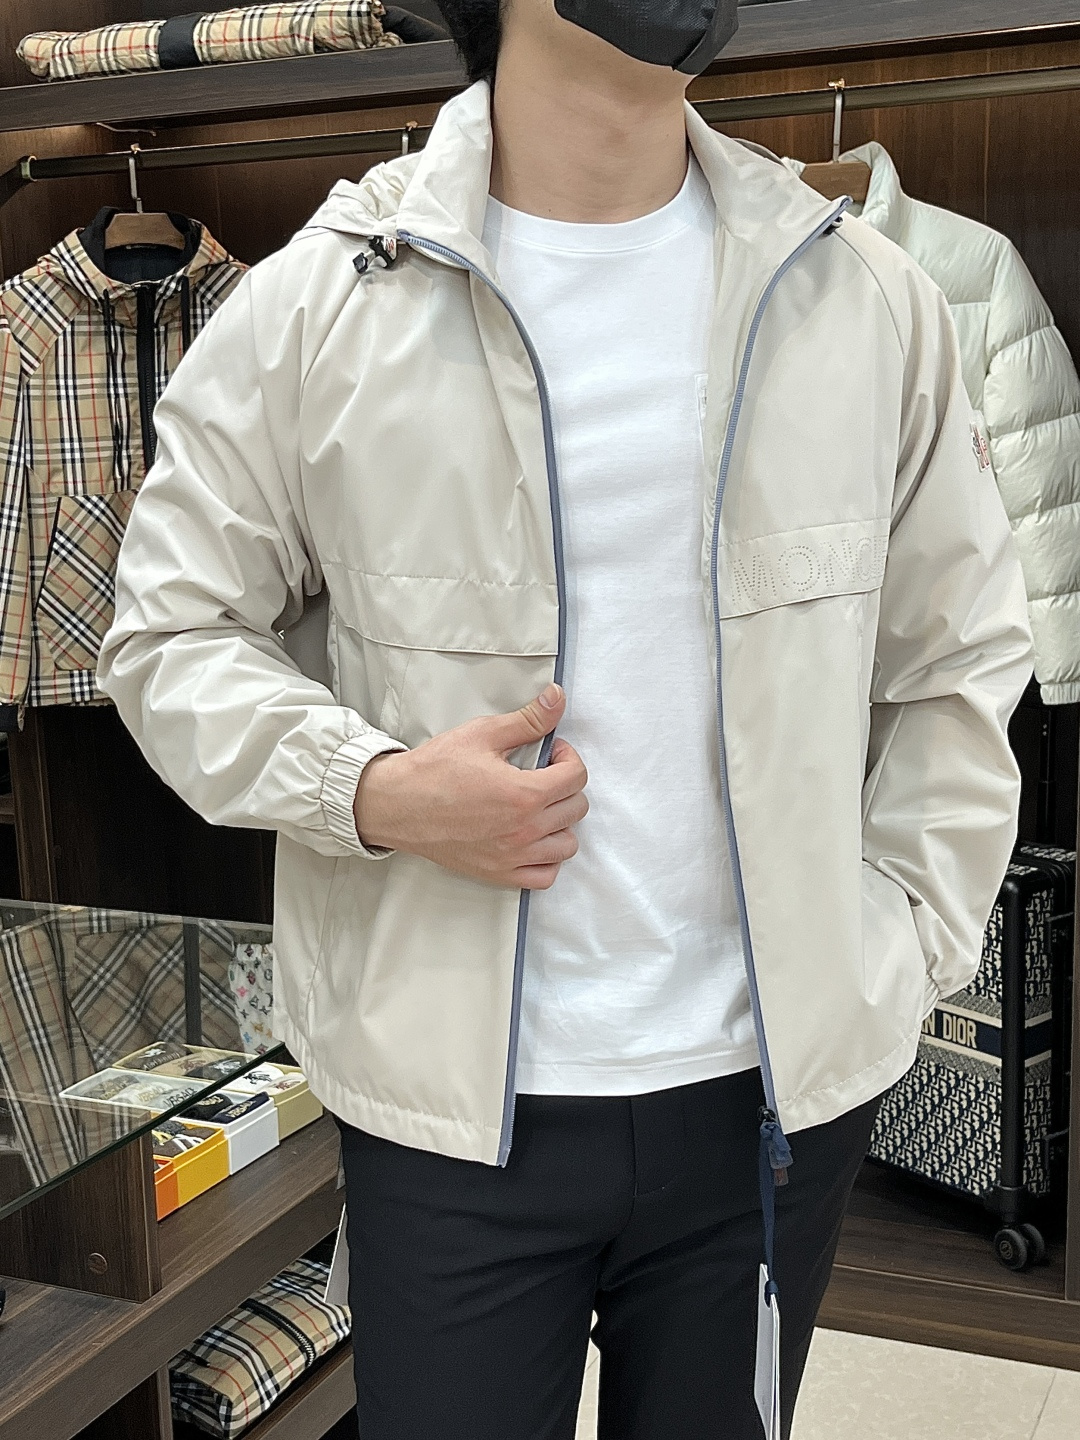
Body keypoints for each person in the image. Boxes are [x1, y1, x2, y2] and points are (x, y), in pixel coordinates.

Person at [99, 0, 1034, 1435]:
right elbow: (169, 637)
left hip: (768, 1109)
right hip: (449, 1114)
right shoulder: (319, 305)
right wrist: (374, 788)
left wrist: (901, 947)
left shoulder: (861, 297)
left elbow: (959, 659)